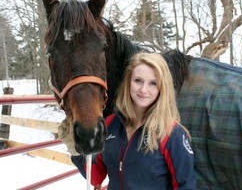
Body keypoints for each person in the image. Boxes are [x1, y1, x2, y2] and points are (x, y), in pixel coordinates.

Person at [60, 52, 196, 189]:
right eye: (138, 81)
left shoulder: (172, 134)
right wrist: (76, 149)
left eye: (153, 83)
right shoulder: (109, 125)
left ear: (162, 88)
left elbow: (186, 186)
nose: (144, 89)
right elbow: (96, 176)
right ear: (128, 82)